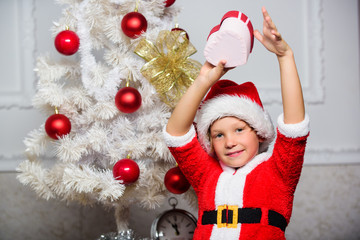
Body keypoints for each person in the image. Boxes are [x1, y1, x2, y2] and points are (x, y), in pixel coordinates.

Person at [163, 7, 310, 240]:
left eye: (239, 130)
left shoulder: (278, 172)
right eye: (218, 135)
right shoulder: (206, 174)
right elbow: (176, 134)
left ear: (260, 133)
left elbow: (295, 127)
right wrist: (203, 80)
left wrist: (285, 57)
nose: (229, 142)